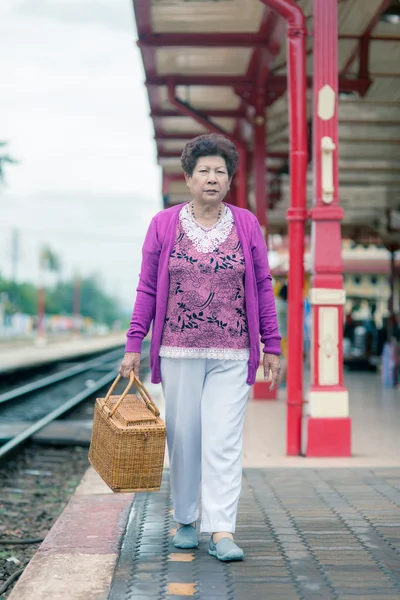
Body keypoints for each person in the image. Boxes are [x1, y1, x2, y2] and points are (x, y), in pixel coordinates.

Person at [119, 134, 281, 562]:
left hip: (233, 353)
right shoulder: (164, 224)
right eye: (204, 171)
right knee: (185, 437)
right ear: (188, 179)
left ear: (229, 182)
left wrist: (272, 344)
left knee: (223, 440)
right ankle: (187, 519)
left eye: (220, 172)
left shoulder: (246, 224)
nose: (212, 178)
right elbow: (148, 287)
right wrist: (135, 342)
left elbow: (263, 286)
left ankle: (222, 529)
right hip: (178, 350)